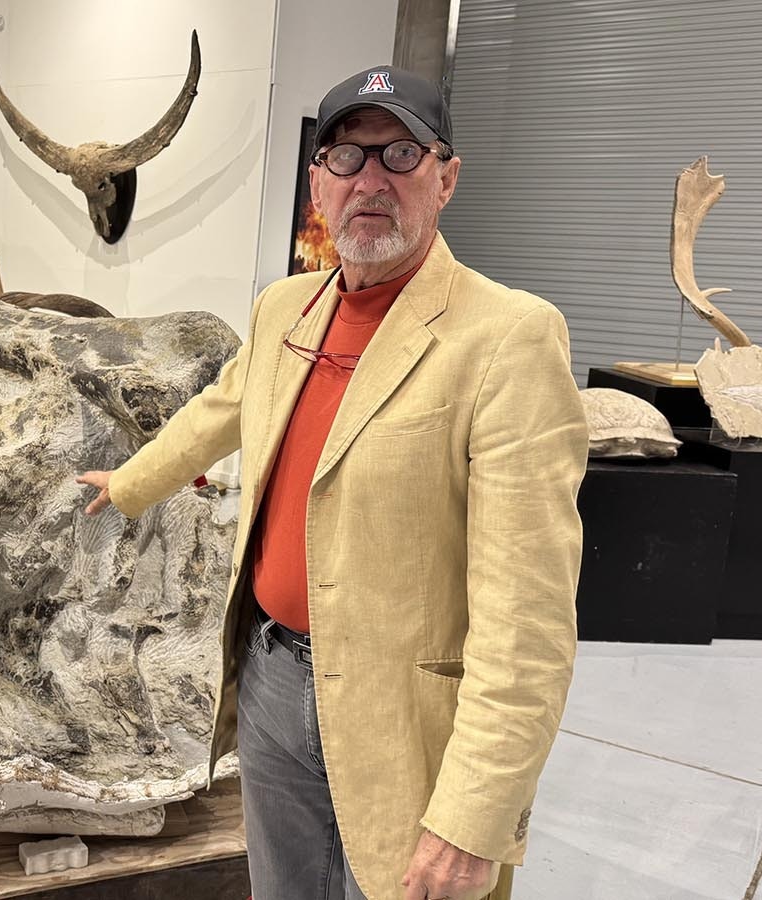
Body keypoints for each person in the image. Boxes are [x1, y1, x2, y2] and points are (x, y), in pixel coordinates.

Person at [76, 64, 587, 900]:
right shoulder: (287, 308)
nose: (370, 182)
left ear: (446, 177)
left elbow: (529, 625)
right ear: (319, 182)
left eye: (399, 154)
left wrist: (475, 819)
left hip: (403, 708)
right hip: (272, 675)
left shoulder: (509, 338)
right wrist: (129, 482)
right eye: (345, 158)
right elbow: (223, 407)